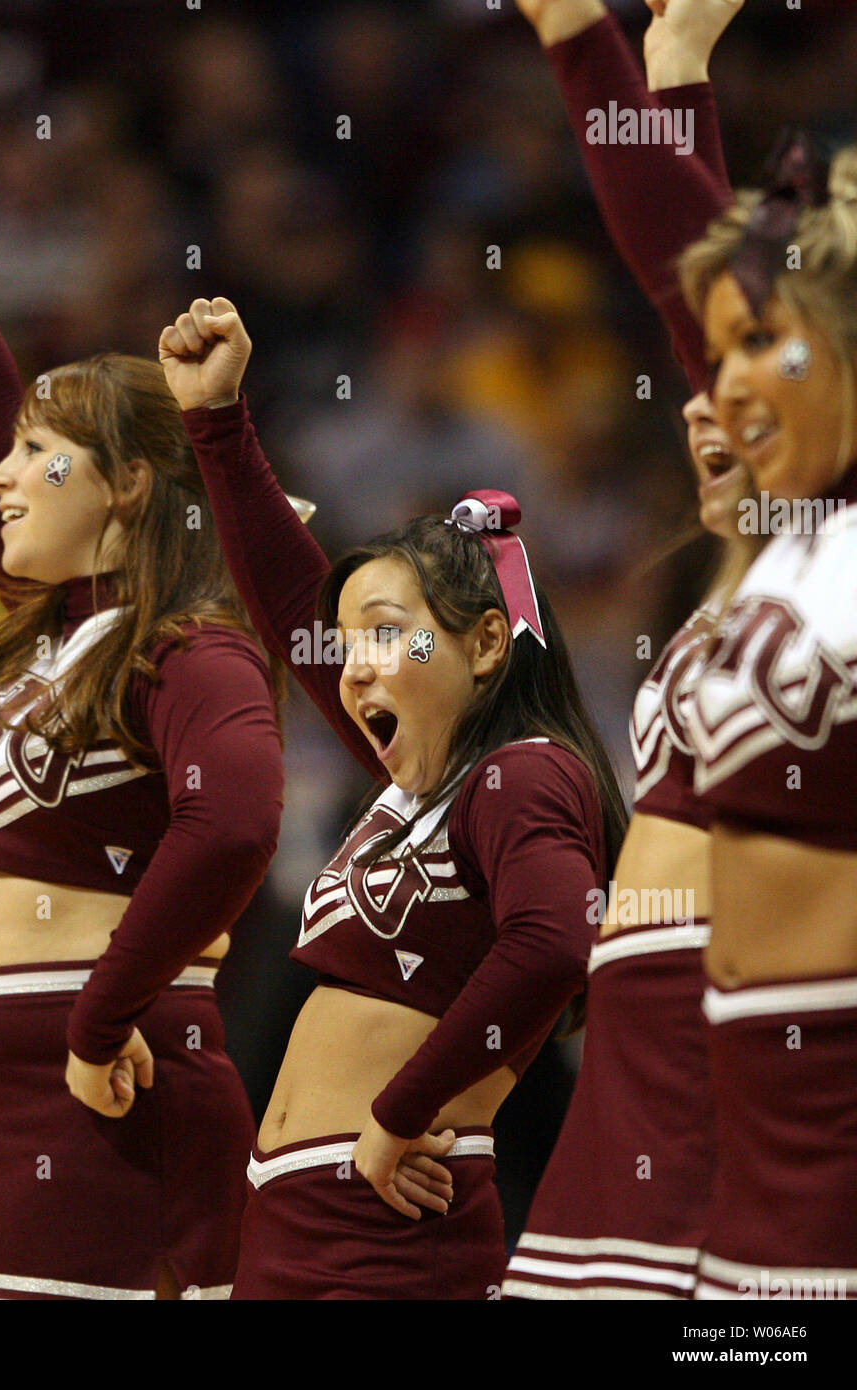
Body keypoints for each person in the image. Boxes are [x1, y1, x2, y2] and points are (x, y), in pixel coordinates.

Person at [0, 78, 284, 1301]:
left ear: (131, 487)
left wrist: (99, 1019)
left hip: (108, 1110)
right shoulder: (61, 629)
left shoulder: (190, 648)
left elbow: (238, 822)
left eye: (39, 456)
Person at [157, 295, 626, 1299]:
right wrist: (219, 422)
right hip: (296, 1210)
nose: (356, 668)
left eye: (386, 633)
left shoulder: (523, 768)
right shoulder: (425, 784)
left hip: (381, 1218)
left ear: (487, 645)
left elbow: (550, 942)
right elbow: (295, 610)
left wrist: (397, 1113)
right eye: (354, 641)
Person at [503, 0, 760, 1300]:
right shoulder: (748, 587)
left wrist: (583, 47)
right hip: (635, 1061)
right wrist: (675, 76)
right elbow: (704, 318)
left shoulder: (827, 551)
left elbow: (692, 290)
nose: (719, 406)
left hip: (747, 1044)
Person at [679, 134, 857, 1299]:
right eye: (712, 353)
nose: (724, 383)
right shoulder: (794, 547)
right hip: (747, 1109)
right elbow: (685, 247)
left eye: (757, 342)